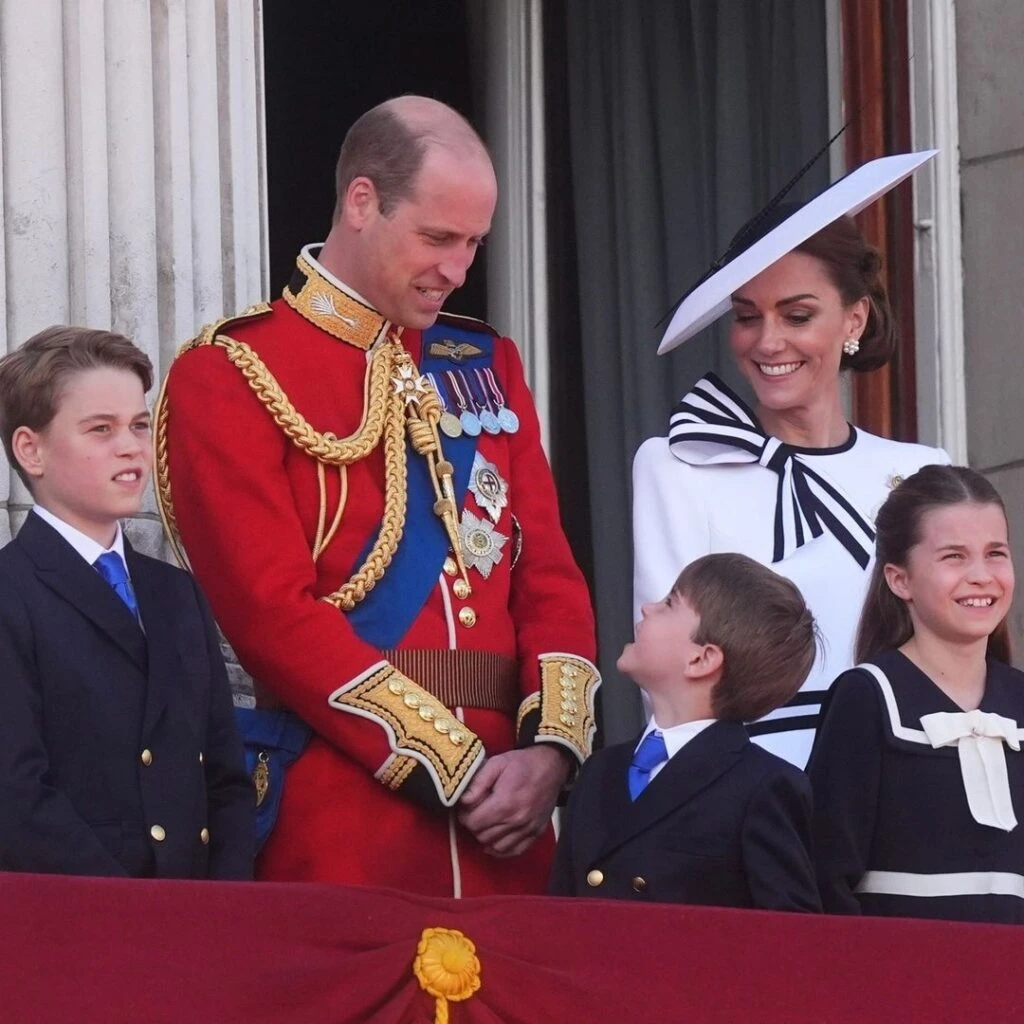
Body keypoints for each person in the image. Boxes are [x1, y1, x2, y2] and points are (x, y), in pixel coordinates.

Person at [157, 96, 600, 896]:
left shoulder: (483, 362)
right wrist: (451, 760)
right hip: (341, 819)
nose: (458, 269)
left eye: (473, 243)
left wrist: (551, 752)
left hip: (515, 829)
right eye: (437, 238)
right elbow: (271, 616)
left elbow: (550, 576)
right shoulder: (229, 376)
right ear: (362, 202)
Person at [634, 152, 949, 768]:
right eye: (748, 317)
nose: (767, 341)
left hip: (903, 789)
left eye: (797, 315)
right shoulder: (679, 467)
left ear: (853, 318)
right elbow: (671, 682)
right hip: (750, 808)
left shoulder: (923, 473)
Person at [0, 326, 252, 879]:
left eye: (139, 425)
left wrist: (226, 904)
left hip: (200, 918)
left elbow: (226, 780)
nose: (131, 446)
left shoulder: (176, 591)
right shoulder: (11, 592)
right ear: (30, 449)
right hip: (79, 923)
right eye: (100, 429)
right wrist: (135, 912)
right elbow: (16, 798)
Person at [809, 466, 1024, 923]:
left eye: (996, 554)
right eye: (954, 557)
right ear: (899, 579)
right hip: (899, 983)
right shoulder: (868, 698)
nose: (981, 575)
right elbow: (826, 878)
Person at [550, 552, 821, 911]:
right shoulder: (600, 770)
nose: (647, 608)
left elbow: (790, 940)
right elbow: (558, 915)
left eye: (669, 603)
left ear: (701, 659)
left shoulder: (764, 786)